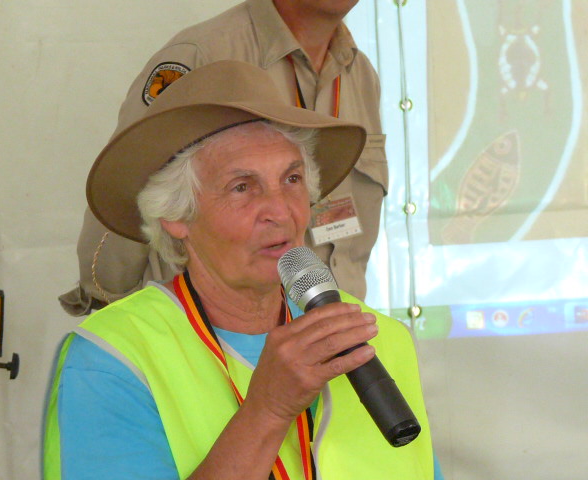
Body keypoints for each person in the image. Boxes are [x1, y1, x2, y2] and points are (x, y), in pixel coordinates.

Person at [43, 60, 434, 479]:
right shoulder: (112, 357)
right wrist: (268, 410)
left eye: (292, 179)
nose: (280, 211)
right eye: (242, 187)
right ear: (177, 215)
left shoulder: (379, 340)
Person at [59, 0, 388, 316]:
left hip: (330, 331)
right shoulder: (204, 54)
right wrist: (111, 305)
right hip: (210, 336)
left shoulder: (360, 73)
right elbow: (130, 184)